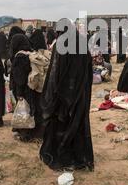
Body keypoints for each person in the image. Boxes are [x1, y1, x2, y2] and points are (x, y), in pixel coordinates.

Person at [40, 21, 94, 171]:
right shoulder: (82, 43)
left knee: (60, 125)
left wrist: (51, 97)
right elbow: (88, 70)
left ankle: (63, 157)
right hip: (79, 94)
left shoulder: (60, 45)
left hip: (62, 95)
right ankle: (79, 157)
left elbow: (55, 73)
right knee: (77, 124)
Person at [9, 34, 45, 142]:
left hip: (24, 90)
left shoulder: (19, 57)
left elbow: (20, 78)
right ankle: (37, 133)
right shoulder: (30, 53)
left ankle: (26, 135)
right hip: (33, 88)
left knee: (24, 112)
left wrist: (19, 93)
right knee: (34, 111)